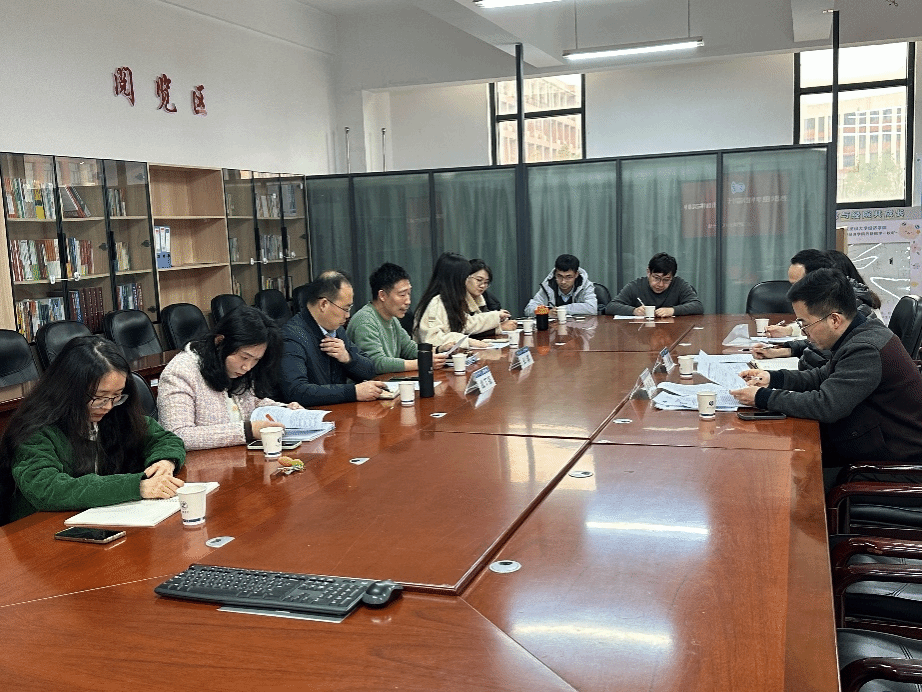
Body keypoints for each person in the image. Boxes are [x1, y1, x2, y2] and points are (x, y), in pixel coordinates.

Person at [731, 268, 922, 485]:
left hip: (893, 463)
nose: (805, 334)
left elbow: (826, 406)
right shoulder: (859, 332)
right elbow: (822, 376)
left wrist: (762, 397)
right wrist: (772, 378)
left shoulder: (866, 348)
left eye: (805, 324)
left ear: (834, 320)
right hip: (867, 439)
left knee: (783, 473)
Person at [0, 336, 186, 525]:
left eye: (116, 396)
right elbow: (47, 488)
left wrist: (165, 462)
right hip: (41, 527)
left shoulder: (117, 413)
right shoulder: (35, 429)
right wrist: (136, 486)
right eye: (99, 397)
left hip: (99, 519)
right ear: (69, 389)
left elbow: (165, 439)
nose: (108, 406)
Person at [158, 306, 302, 450]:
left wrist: (284, 410)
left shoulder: (235, 369)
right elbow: (177, 435)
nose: (248, 367)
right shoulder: (180, 372)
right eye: (244, 357)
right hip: (201, 462)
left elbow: (253, 402)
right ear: (220, 341)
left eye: (256, 360)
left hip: (239, 456)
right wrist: (247, 431)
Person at [753, 249, 880, 365]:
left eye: (797, 284)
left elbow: (819, 357)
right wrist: (783, 350)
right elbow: (817, 343)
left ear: (817, 279)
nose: (793, 290)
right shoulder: (840, 294)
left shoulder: (847, 303)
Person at [281, 270, 386, 406]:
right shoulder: (292, 336)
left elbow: (370, 370)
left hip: (339, 411)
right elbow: (296, 391)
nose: (348, 315)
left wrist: (348, 358)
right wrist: (353, 392)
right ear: (323, 304)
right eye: (345, 309)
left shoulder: (336, 329)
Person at [346, 262, 448, 374]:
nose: (408, 301)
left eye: (409, 294)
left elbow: (410, 349)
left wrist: (439, 350)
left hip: (387, 381)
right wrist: (422, 363)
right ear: (382, 295)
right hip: (368, 383)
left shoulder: (392, 319)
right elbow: (376, 363)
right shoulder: (365, 321)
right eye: (402, 295)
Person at [415, 252, 511, 349]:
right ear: (455, 279)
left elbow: (467, 323)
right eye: (465, 277)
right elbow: (431, 338)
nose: (466, 282)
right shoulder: (436, 302)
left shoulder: (451, 300)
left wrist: (495, 316)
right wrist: (467, 341)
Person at [604, 252, 703, 317]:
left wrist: (673, 310)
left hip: (673, 333)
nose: (660, 284)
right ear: (648, 272)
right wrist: (633, 311)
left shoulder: (679, 285)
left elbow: (697, 306)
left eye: (666, 280)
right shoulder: (635, 286)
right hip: (643, 332)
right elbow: (610, 307)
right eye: (656, 278)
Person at [525, 254, 597, 316]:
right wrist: (547, 312)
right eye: (559, 276)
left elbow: (592, 308)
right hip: (554, 327)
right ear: (555, 274)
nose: (563, 282)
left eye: (568, 277)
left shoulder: (585, 286)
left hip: (579, 327)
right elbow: (529, 309)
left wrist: (562, 309)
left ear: (576, 274)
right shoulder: (548, 286)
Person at [467, 259, 517, 337]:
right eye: (479, 280)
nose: (482, 286)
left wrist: (500, 318)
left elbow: (482, 323)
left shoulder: (482, 297)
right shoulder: (457, 299)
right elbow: (465, 329)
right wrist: (500, 327)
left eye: (486, 282)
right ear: (465, 278)